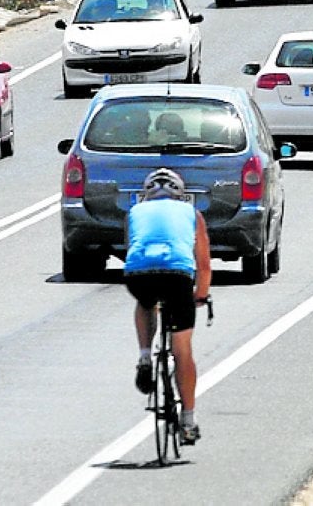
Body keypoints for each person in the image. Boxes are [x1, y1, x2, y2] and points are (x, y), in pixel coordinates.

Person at [123, 168, 212, 444]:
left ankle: (145, 356)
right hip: (177, 277)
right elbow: (204, 264)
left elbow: (130, 246)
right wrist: (200, 295)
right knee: (182, 351)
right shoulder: (192, 215)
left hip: (139, 273)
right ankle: (188, 420)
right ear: (180, 194)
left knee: (145, 302)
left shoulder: (134, 213)